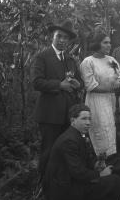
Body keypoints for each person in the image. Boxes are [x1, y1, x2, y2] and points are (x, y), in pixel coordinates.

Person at [42, 104, 120, 200]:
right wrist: (100, 175)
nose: (88, 123)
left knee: (117, 165)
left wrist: (95, 165)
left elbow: (82, 160)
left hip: (73, 182)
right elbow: (78, 172)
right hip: (65, 192)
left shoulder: (79, 134)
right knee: (112, 180)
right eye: (84, 119)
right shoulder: (69, 141)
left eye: (89, 119)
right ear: (73, 120)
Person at [31, 19, 83, 179]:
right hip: (50, 113)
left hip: (68, 114)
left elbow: (79, 81)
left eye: (65, 38)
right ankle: (43, 186)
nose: (62, 40)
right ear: (52, 37)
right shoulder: (42, 56)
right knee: (48, 149)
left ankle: (60, 183)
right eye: (58, 36)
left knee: (65, 149)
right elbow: (36, 82)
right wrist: (59, 85)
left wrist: (77, 84)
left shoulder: (69, 59)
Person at [79, 32, 120, 157]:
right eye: (105, 42)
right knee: (101, 129)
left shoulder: (112, 60)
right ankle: (101, 161)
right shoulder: (88, 62)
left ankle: (113, 160)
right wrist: (111, 88)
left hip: (112, 100)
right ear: (97, 44)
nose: (109, 45)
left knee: (112, 128)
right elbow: (90, 86)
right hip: (97, 101)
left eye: (110, 42)